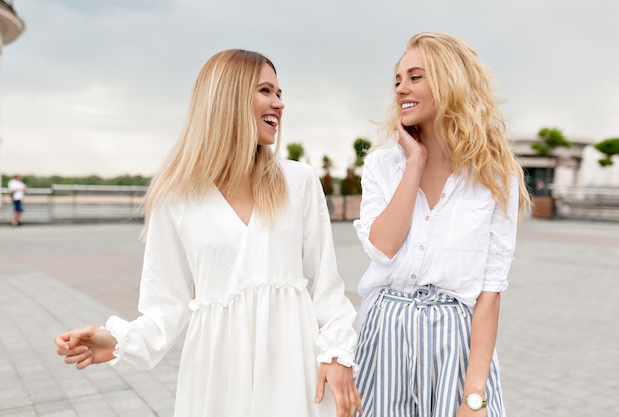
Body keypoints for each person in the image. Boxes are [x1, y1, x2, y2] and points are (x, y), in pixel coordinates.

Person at [54, 49, 361, 417]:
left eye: (280, 94)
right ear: (227, 98)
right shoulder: (177, 198)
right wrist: (118, 341)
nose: (278, 104)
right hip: (218, 380)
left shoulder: (299, 182)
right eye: (266, 91)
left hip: (293, 375)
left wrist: (337, 354)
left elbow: (326, 289)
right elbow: (166, 306)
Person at [352, 32, 531, 417]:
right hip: (384, 339)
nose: (402, 89)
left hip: (456, 345)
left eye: (416, 77)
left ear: (449, 81)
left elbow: (490, 291)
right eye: (398, 80)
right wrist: (413, 162)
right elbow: (384, 245)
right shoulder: (383, 167)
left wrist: (474, 395)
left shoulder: (495, 178)